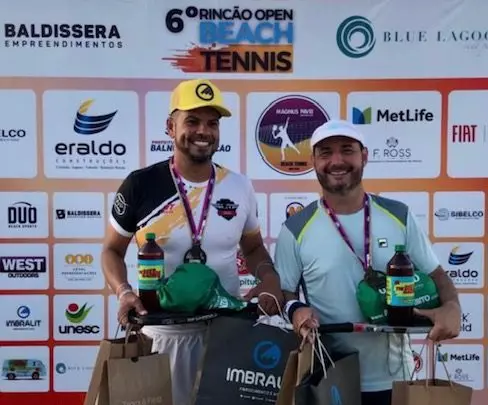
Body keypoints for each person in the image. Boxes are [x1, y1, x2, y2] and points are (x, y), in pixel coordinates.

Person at [101, 78, 283, 405]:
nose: (203, 131)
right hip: (159, 336)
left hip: (225, 336)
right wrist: (124, 292)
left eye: (212, 123)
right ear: (170, 127)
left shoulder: (238, 186)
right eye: (193, 121)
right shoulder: (140, 184)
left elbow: (253, 248)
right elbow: (112, 250)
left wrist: (269, 278)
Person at [274, 120, 461, 405]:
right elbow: (285, 294)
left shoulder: (399, 215)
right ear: (313, 161)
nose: (337, 161)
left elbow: (437, 275)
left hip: (399, 380)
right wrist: (297, 310)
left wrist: (452, 307)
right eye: (325, 153)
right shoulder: (295, 229)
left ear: (365, 156)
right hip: (331, 379)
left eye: (347, 150)